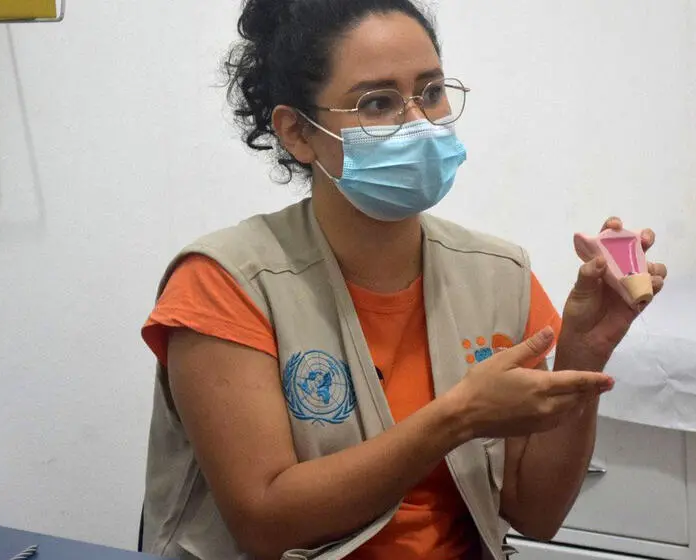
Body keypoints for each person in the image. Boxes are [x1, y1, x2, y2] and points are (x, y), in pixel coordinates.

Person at [138, 1, 667, 559]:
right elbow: (265, 523)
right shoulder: (225, 284)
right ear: (297, 132)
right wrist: (457, 417)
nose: (418, 122)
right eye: (378, 102)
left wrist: (584, 354)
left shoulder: (497, 274)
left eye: (432, 91)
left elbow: (536, 514)